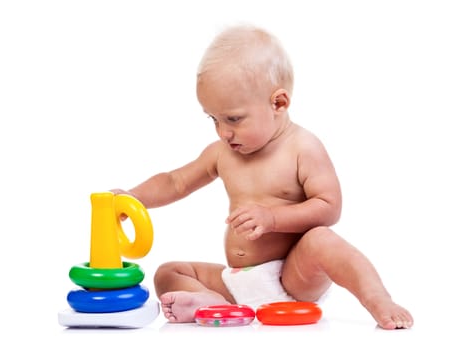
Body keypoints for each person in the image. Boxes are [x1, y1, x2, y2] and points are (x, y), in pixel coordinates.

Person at [111, 24, 413, 330]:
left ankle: (377, 298)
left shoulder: (302, 148)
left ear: (278, 103)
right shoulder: (221, 153)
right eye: (213, 119)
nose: (223, 132)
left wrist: (272, 218)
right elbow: (176, 181)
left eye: (233, 119)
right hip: (238, 280)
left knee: (322, 240)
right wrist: (132, 198)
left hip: (293, 276)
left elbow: (329, 206)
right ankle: (212, 301)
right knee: (168, 272)